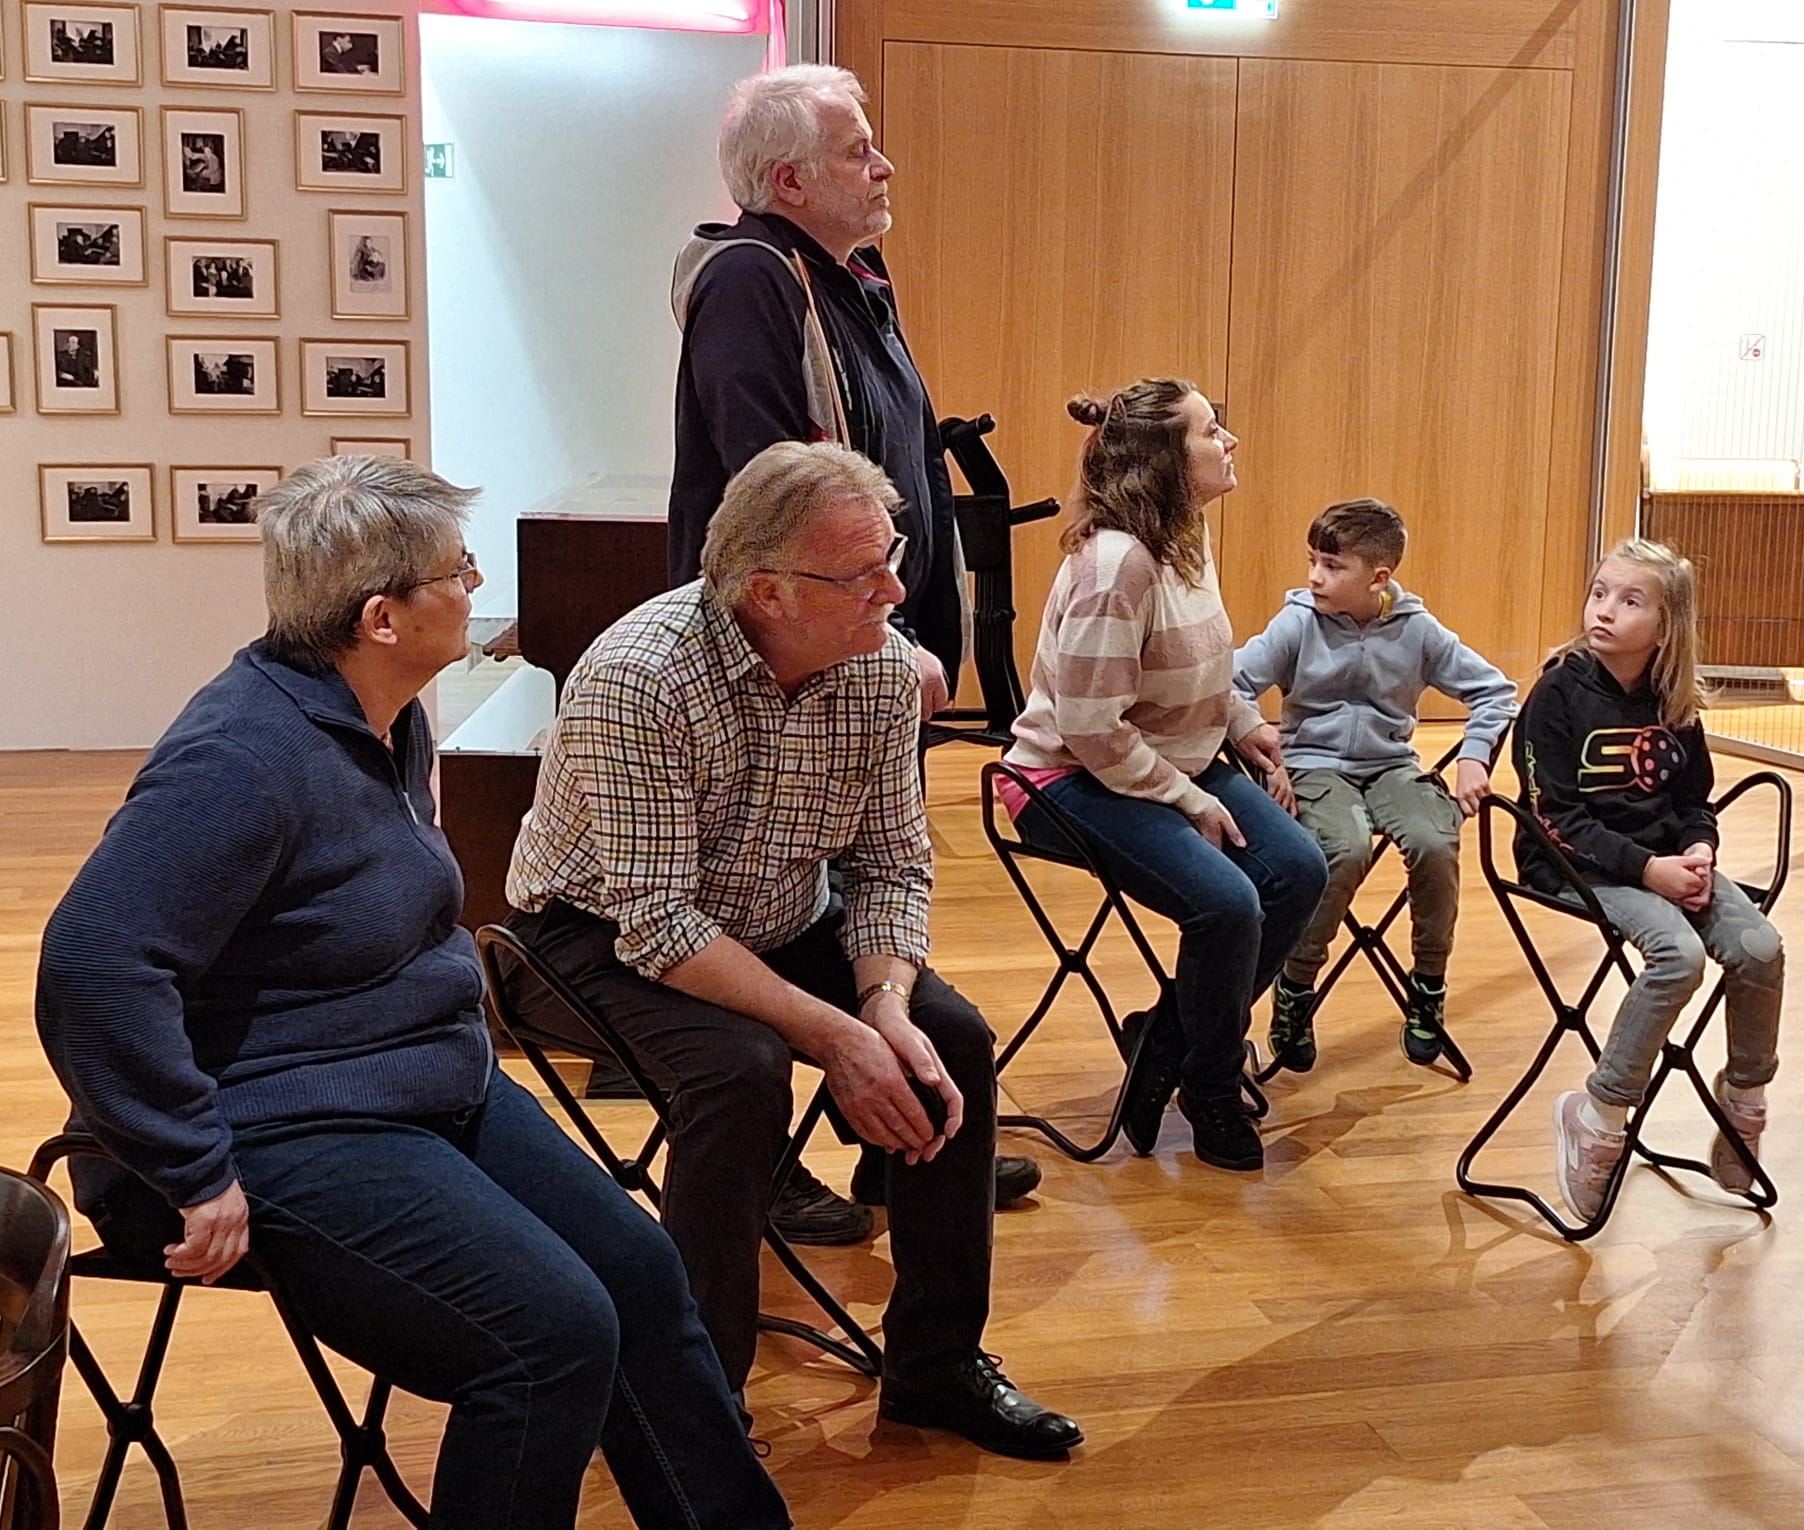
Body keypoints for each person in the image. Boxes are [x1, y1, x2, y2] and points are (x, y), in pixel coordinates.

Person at [35, 456, 790, 1530]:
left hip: (418, 1082)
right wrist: (192, 1167)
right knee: (548, 1337)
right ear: (382, 618)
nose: (475, 589)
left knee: (638, 1273)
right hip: (272, 1120)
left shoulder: (387, 717)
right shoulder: (243, 758)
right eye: (459, 572)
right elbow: (94, 963)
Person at [505, 441, 1082, 1461]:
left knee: (948, 1039)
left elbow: (892, 867)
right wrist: (836, 1035)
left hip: (773, 914)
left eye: (893, 557)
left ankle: (937, 1364)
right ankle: (694, 1406)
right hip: (587, 934)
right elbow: (658, 921)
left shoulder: (878, 669)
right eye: (863, 573)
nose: (894, 590)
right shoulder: (640, 678)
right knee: (739, 1070)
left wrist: (885, 1009)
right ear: (766, 590)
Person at [667, 60, 1037, 1245]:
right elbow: (776, 492)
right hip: (796, 652)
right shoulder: (750, 279)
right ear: (787, 179)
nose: (883, 166)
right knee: (760, 891)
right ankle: (762, 1165)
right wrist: (883, 632)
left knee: (859, 881)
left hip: (855, 640)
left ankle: (898, 1128)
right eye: (856, 149)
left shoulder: (850, 279)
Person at [998, 380, 1329, 1171]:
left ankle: (1167, 1038)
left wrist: (1243, 723)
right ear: (1166, 462)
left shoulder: (1185, 532)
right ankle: (1210, 1086)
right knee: (1227, 904)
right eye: (1212, 431)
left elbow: (1197, 661)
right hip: (1067, 777)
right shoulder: (1117, 565)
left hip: (1162, 758)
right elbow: (1089, 727)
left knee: (1299, 870)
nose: (1230, 442)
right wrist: (1187, 799)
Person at [1513, 537, 1783, 1221]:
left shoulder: (1672, 697)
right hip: (1575, 864)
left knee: (1760, 948)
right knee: (1678, 955)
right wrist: (1648, 871)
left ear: (1666, 627)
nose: (1604, 610)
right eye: (1600, 592)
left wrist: (1699, 848)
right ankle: (1600, 1114)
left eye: (1630, 601)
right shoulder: (1558, 691)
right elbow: (1554, 816)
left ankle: (1743, 1102)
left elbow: (1695, 799)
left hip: (1664, 860)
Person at [1233, 498, 1518, 1071]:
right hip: (1313, 765)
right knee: (1345, 847)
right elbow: (1229, 684)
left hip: (1391, 766)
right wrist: (1262, 749)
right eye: (1313, 561)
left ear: (1378, 578)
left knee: (1435, 841)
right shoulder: (1298, 622)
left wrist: (1474, 757)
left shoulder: (1417, 629)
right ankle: (1296, 985)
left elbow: (1496, 691)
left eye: (1333, 566)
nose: (1315, 576)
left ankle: (1428, 985)